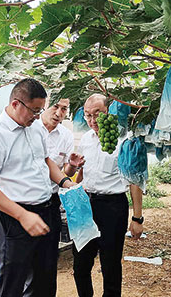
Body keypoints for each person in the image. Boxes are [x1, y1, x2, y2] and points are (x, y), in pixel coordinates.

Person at [0, 78, 76, 297]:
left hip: (46, 210)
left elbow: (46, 160)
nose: (37, 116)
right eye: (34, 110)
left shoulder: (35, 128)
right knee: (14, 278)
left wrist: (66, 183)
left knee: (45, 276)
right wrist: (23, 216)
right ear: (15, 104)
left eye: (40, 111)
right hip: (14, 217)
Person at [73, 94, 144, 297]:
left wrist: (137, 217)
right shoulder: (86, 139)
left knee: (110, 264)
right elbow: (82, 172)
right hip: (86, 205)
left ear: (109, 112)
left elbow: (134, 180)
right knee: (80, 264)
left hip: (112, 207)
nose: (92, 120)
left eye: (98, 114)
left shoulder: (124, 140)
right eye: (88, 115)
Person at [22, 98, 85, 296]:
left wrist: (72, 167)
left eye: (64, 109)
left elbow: (61, 171)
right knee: (24, 260)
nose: (59, 113)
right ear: (43, 107)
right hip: (25, 202)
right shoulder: (28, 128)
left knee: (48, 257)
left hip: (51, 200)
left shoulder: (65, 135)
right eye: (55, 107)